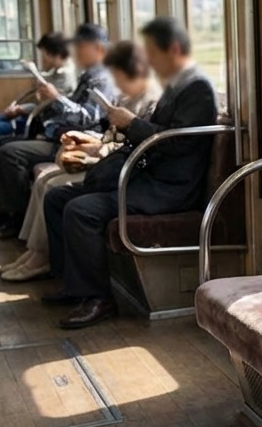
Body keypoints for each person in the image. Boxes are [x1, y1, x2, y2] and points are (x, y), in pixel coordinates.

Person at [41, 17, 217, 329]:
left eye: (152, 52)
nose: (147, 60)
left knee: (81, 211)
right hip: (148, 177)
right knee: (57, 198)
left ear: (173, 49)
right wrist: (125, 126)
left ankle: (98, 298)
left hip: (169, 189)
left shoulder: (197, 87)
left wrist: (132, 123)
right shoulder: (176, 84)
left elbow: (179, 143)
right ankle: (72, 284)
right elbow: (160, 134)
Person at [0, 42, 161, 282]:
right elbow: (111, 137)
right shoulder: (126, 96)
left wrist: (98, 146)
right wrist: (90, 142)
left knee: (52, 185)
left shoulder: (149, 102)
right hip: (106, 156)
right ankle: (36, 251)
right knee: (46, 180)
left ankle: (41, 257)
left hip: (118, 166)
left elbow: (133, 146)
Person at [0, 23, 116, 239]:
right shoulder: (89, 74)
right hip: (61, 132)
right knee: (3, 144)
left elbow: (88, 117)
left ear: (96, 48)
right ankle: (7, 211)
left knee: (10, 152)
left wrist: (55, 99)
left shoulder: (103, 77)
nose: (76, 52)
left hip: (79, 140)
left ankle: (15, 217)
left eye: (81, 46)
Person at [0, 32, 76, 137]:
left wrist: (21, 109)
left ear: (53, 53)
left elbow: (48, 108)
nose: (42, 59)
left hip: (38, 122)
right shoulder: (56, 72)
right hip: (31, 116)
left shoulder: (66, 78)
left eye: (44, 54)